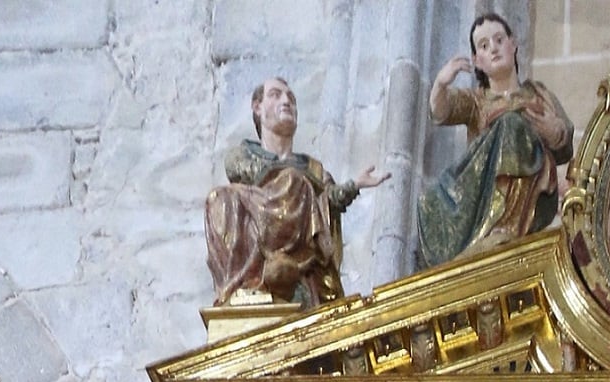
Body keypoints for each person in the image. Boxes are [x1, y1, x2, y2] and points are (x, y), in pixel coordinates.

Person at [205, 76, 387, 306]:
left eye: (291, 98)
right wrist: (290, 181)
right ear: (257, 107)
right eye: (276, 95)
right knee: (219, 198)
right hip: (259, 234)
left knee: (295, 181)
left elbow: (326, 203)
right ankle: (242, 284)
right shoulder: (243, 155)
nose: (286, 101)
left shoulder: (313, 169)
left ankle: (281, 264)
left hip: (300, 250)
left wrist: (354, 186)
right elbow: (257, 179)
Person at [418, 14, 574, 270]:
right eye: (484, 45)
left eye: (499, 40)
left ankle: (508, 225)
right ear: (477, 61)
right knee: (431, 201)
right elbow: (441, 112)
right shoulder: (477, 100)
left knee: (512, 124)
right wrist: (440, 84)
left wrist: (552, 130)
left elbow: (564, 141)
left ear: (513, 44)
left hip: (536, 191)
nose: (493, 48)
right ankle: (492, 224)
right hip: (485, 189)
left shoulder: (537, 92)